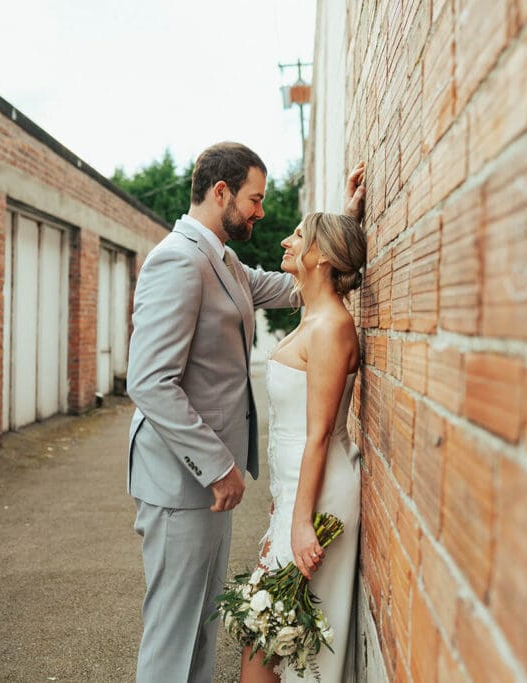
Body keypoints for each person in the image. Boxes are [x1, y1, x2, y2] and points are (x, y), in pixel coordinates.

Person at [126, 140, 366, 683]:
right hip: (181, 479)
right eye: (255, 200)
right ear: (221, 192)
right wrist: (218, 467)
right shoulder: (177, 260)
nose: (261, 212)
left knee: (203, 627)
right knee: (172, 632)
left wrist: (342, 226)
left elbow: (299, 283)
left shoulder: (225, 261)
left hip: (209, 489)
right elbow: (149, 382)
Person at [239, 210, 367, 683]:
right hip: (295, 494)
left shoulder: (332, 327)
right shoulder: (311, 314)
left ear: (325, 256)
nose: (286, 243)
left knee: (279, 646)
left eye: (298, 235)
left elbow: (318, 433)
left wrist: (299, 522)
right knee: (270, 638)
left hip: (318, 503)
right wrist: (347, 212)